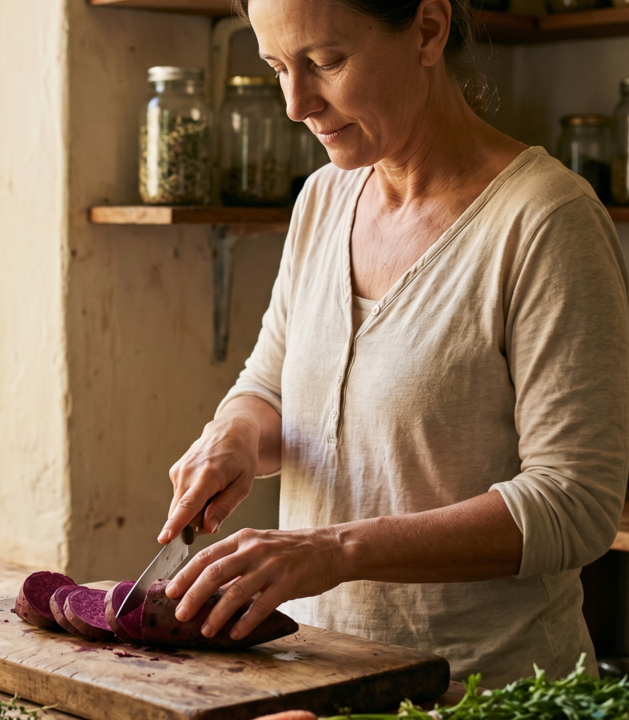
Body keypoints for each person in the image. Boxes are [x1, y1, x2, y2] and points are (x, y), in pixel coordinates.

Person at [157, 0, 629, 686]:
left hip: (482, 691)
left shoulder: (547, 221)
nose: (295, 105)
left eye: (324, 62)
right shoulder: (321, 198)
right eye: (276, 67)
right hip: (317, 679)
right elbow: (271, 386)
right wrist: (232, 433)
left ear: (428, 31)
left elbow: (574, 503)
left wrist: (334, 551)